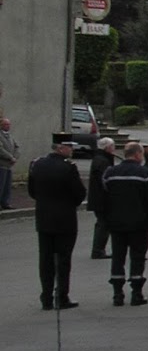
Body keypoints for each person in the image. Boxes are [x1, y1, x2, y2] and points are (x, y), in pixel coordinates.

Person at [30, 132, 85, 310]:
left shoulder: (37, 164)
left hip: (44, 218)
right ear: (61, 148)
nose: (72, 150)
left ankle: (46, 296)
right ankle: (61, 296)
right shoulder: (69, 167)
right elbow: (79, 194)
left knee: (45, 259)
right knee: (63, 259)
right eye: (69, 147)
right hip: (65, 219)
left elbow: (32, 191)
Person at [102, 140, 148, 307]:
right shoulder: (144, 174)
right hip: (139, 224)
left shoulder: (111, 173)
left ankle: (117, 294)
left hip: (116, 223)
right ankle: (137, 293)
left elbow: (104, 198)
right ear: (137, 154)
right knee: (138, 258)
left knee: (118, 257)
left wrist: (106, 220)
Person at [87, 136, 116, 259]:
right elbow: (105, 181)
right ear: (108, 148)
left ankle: (98, 249)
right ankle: (98, 250)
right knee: (104, 224)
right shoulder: (103, 161)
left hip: (97, 197)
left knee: (102, 223)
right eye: (113, 147)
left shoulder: (99, 159)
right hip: (102, 198)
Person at [0, 115, 17, 209]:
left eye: (9, 124)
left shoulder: (10, 136)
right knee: (1, 184)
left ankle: (5, 202)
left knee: (7, 185)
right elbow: (0, 149)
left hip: (9, 165)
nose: (8, 126)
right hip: (2, 164)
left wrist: (15, 157)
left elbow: (16, 147)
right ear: (1, 125)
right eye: (5, 124)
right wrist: (10, 157)